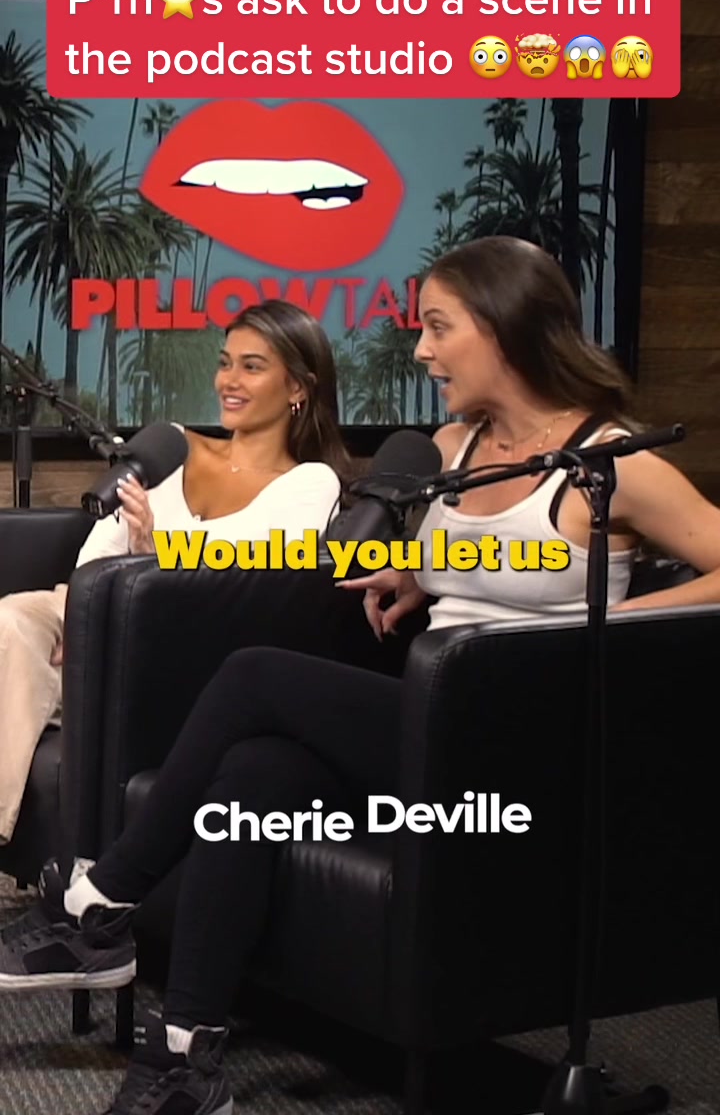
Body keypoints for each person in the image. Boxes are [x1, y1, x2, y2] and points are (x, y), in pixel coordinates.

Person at [2, 238, 719, 1115]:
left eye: (438, 328)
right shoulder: (453, 448)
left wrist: (603, 621)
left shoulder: (613, 463)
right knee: (253, 775)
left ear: (503, 328)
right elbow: (504, 557)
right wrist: (417, 570)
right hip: (431, 722)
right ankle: (188, 1053)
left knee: (257, 676)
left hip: (523, 741)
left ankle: (98, 900)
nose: (420, 350)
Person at [0, 299, 347, 846]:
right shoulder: (173, 446)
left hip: (180, 644)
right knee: (12, 620)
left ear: (298, 388)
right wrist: (84, 615)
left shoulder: (311, 483)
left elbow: (244, 584)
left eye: (252, 367)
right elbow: (98, 552)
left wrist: (150, 555)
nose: (229, 381)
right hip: (95, 612)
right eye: (225, 362)